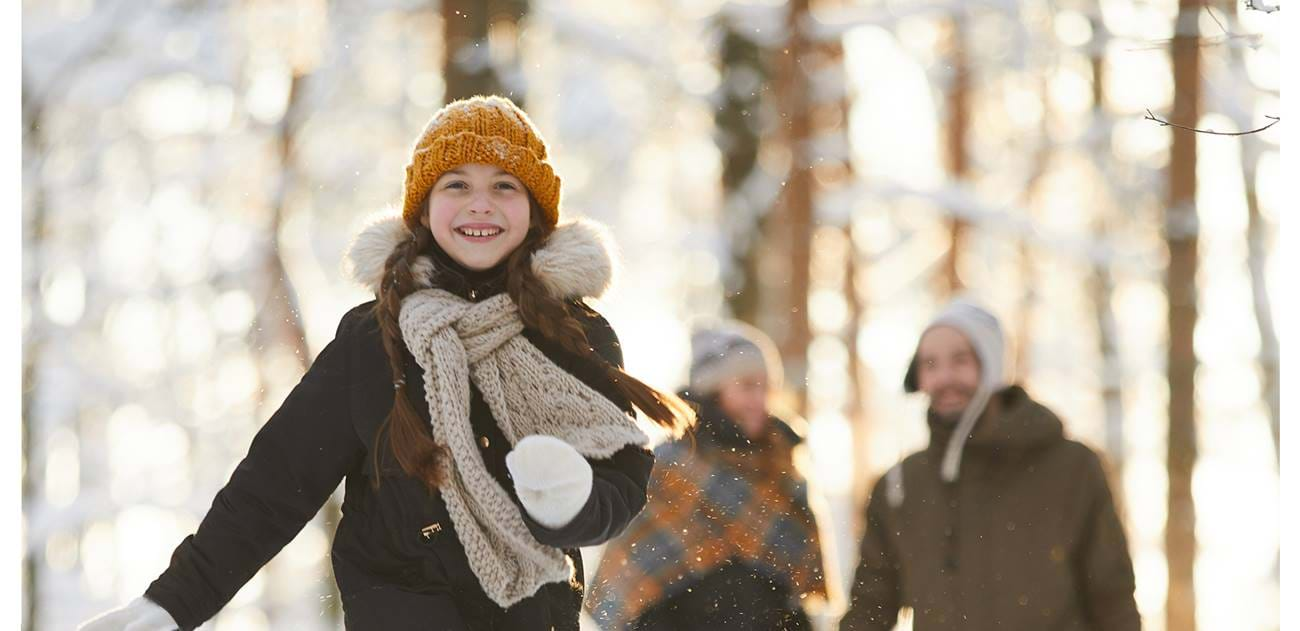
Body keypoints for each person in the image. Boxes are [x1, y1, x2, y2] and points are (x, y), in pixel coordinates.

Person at [79, 95, 695, 631]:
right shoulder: (373, 338)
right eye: (456, 184)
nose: (480, 204)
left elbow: (621, 472)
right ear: (424, 210)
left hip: (532, 614)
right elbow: (273, 486)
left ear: (535, 212)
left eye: (504, 185)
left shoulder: (573, 333)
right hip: (401, 610)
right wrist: (175, 603)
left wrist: (572, 505)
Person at [839, 299, 1140, 631]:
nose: (944, 378)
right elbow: (870, 607)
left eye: (960, 360)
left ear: (992, 367)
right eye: (930, 364)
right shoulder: (900, 485)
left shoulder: (1073, 469)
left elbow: (1113, 599)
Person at [587, 321, 828, 630]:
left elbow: (796, 594)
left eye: (766, 387)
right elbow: (634, 587)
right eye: (747, 386)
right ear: (712, 390)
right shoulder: (669, 468)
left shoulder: (782, 467)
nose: (760, 400)